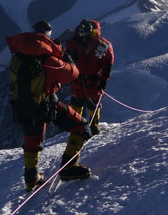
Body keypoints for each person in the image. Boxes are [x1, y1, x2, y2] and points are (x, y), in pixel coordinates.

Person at [7, 20, 92, 191]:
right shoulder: (47, 60)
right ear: (47, 36)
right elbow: (72, 74)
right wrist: (66, 58)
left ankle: (31, 179)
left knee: (32, 139)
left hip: (22, 105)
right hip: (45, 105)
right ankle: (68, 168)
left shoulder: (18, 55)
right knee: (82, 128)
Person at [62, 19, 113, 180]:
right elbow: (66, 54)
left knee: (94, 104)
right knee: (76, 104)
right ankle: (75, 126)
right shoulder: (74, 42)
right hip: (78, 80)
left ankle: (93, 126)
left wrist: (104, 79)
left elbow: (108, 63)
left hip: (93, 80)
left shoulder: (103, 45)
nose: (82, 38)